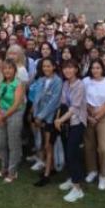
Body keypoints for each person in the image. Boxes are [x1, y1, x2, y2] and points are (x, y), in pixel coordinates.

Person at [82, 58, 105, 191]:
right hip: (88, 116)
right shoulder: (86, 82)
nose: (95, 70)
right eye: (93, 68)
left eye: (98, 68)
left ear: (102, 69)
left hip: (102, 118)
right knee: (89, 146)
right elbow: (83, 99)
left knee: (103, 148)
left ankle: (103, 175)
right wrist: (90, 115)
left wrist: (97, 116)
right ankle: (92, 170)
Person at [55, 59, 87, 202]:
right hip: (65, 122)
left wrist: (60, 120)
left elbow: (74, 107)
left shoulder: (80, 85)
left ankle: (77, 189)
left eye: (70, 68)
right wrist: (58, 119)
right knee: (68, 153)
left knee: (72, 153)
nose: (67, 71)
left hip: (77, 122)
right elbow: (62, 104)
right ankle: (73, 178)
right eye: (65, 68)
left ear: (76, 69)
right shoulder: (65, 84)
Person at [30, 57, 62, 187]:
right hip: (39, 117)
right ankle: (52, 167)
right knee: (44, 143)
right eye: (44, 66)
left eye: (49, 66)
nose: (46, 68)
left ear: (54, 67)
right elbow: (36, 98)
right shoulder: (41, 80)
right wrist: (35, 114)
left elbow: (53, 103)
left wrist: (40, 116)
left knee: (48, 146)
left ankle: (46, 175)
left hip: (49, 119)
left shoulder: (58, 81)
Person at [0, 59, 26, 183]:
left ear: (14, 70)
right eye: (5, 68)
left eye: (10, 68)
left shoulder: (19, 84)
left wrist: (3, 116)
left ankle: (12, 172)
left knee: (13, 144)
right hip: (1, 114)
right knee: (1, 143)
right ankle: (4, 167)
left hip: (14, 114)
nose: (7, 71)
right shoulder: (2, 83)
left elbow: (16, 104)